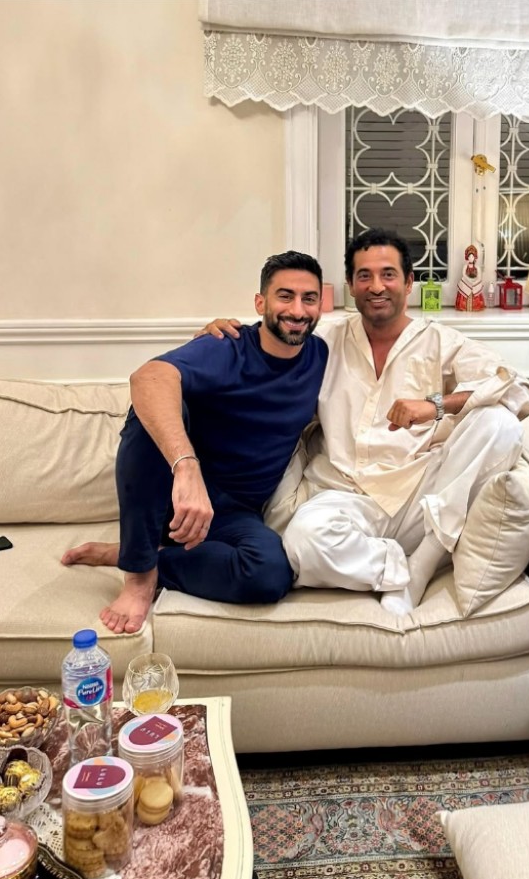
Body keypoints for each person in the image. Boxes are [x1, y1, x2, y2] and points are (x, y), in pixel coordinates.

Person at [202, 229, 529, 616]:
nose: (376, 286)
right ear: (351, 285)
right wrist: (224, 338)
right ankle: (395, 567)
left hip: (418, 496)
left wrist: (436, 405)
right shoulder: (324, 341)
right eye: (364, 276)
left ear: (408, 283)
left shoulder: (440, 341)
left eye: (388, 274)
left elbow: (520, 392)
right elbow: (273, 337)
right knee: (301, 542)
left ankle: (424, 562)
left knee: (500, 424)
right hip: (340, 496)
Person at [62, 251, 329, 635]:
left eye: (309, 298)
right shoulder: (226, 344)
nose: (298, 310)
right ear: (260, 303)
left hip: (234, 516)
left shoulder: (323, 354)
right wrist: (186, 467)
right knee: (152, 411)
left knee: (270, 575)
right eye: (285, 296)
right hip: (172, 502)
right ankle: (138, 576)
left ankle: (143, 558)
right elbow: (148, 378)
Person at [455, 244, 486, 311]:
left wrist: (475, 281)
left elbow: (479, 276)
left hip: (474, 281)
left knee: (477, 285)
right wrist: (469, 280)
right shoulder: (465, 266)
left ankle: (475, 306)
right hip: (467, 280)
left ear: (474, 257)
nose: (471, 258)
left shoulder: (477, 267)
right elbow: (464, 274)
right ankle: (463, 306)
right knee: (463, 282)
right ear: (467, 257)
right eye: (469, 257)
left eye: (472, 257)